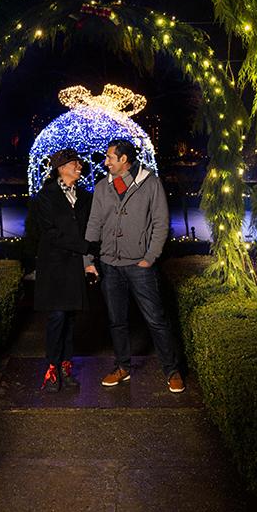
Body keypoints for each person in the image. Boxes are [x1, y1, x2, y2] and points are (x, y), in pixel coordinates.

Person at [85, 138, 185, 393]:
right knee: (116, 321)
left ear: (124, 160)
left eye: (110, 157)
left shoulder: (150, 184)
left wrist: (149, 257)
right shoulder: (101, 188)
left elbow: (161, 223)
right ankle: (122, 367)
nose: (105, 161)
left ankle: (172, 371)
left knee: (156, 320)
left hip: (140, 265)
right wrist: (88, 259)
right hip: (109, 264)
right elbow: (93, 224)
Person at [34, 148, 93, 392]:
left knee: (69, 317)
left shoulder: (85, 197)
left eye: (78, 163)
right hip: (55, 267)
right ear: (61, 168)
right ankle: (51, 369)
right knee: (57, 316)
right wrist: (85, 247)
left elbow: (89, 227)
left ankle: (66, 368)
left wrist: (89, 258)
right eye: (74, 163)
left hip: (75, 266)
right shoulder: (45, 197)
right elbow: (50, 234)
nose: (79, 166)